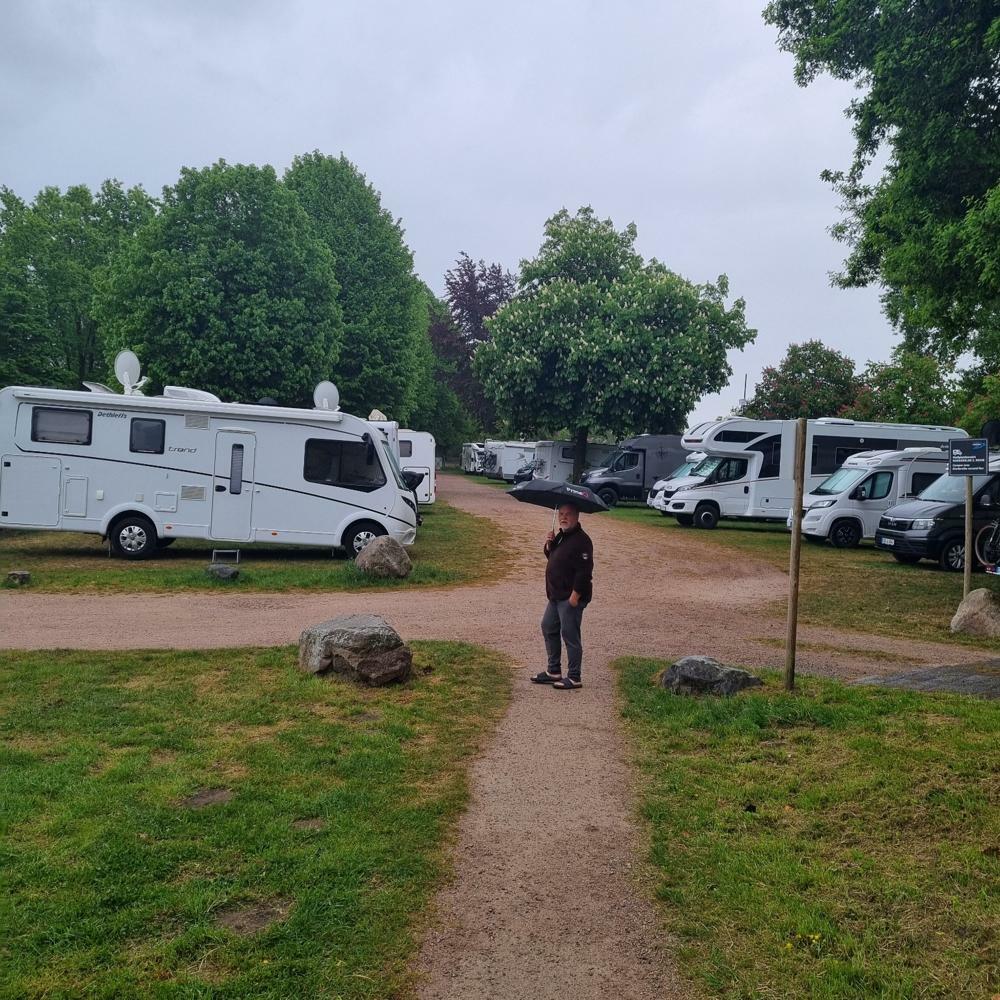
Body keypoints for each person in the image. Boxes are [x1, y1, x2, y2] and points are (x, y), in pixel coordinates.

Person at [531, 501, 593, 690]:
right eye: (561, 514)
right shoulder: (561, 536)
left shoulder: (582, 541)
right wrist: (549, 544)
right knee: (548, 626)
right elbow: (553, 558)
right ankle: (554, 671)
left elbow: (585, 571)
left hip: (570, 597)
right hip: (556, 595)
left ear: (577, 516)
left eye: (568, 514)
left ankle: (574, 676)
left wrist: (576, 595)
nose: (564, 517)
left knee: (570, 634)